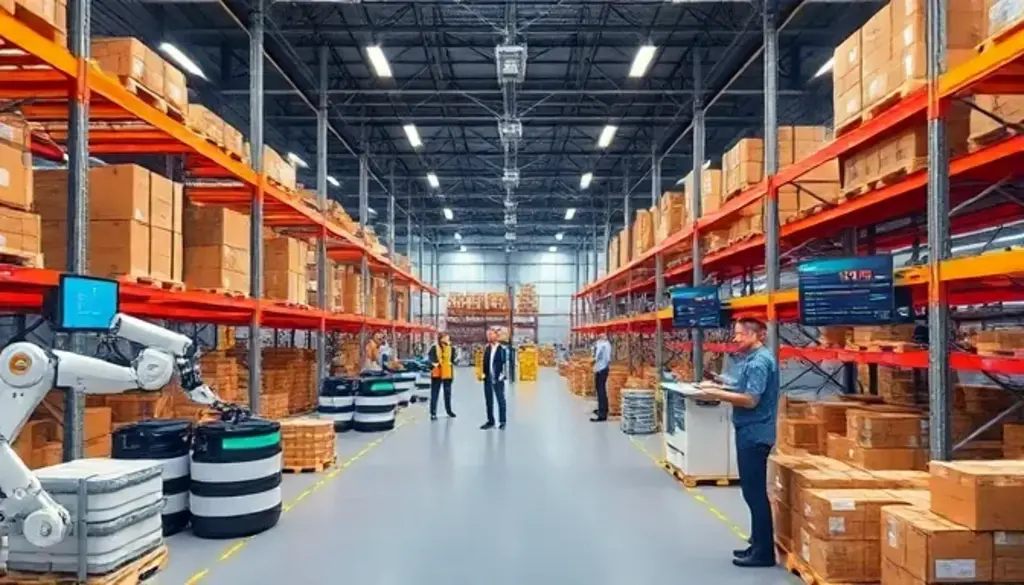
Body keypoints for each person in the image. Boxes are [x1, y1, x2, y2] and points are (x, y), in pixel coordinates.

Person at [695, 318, 778, 568]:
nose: (736, 338)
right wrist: (718, 382)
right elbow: (740, 385)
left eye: (740, 334)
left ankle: (763, 553)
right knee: (750, 492)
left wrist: (716, 394)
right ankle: (757, 544)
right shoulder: (751, 359)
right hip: (749, 431)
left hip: (755, 433)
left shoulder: (760, 362)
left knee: (755, 494)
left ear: (754, 335)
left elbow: (751, 399)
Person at [480, 328, 507, 430]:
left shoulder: (502, 349)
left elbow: (505, 363)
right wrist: (483, 373)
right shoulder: (487, 348)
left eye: (491, 334)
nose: (489, 336)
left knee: (500, 399)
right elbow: (484, 361)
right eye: (488, 335)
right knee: (488, 400)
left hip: (498, 378)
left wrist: (502, 375)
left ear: (496, 336)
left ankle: (502, 421)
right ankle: (490, 421)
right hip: (487, 377)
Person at [427, 333, 456, 420]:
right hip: (437, 373)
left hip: (447, 373)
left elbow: (452, 360)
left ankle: (449, 411)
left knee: (447, 393)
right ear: (441, 339)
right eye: (446, 338)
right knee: (434, 393)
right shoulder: (434, 348)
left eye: (448, 338)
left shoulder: (451, 348)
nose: (448, 340)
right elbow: (430, 359)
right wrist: (433, 364)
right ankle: (433, 413)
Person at [591, 332, 612, 422]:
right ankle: (603, 409)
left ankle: (602, 414)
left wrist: (594, 361)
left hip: (601, 369)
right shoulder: (605, 344)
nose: (598, 337)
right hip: (602, 368)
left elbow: (600, 357)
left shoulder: (603, 345)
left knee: (601, 390)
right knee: (601, 389)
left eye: (600, 336)